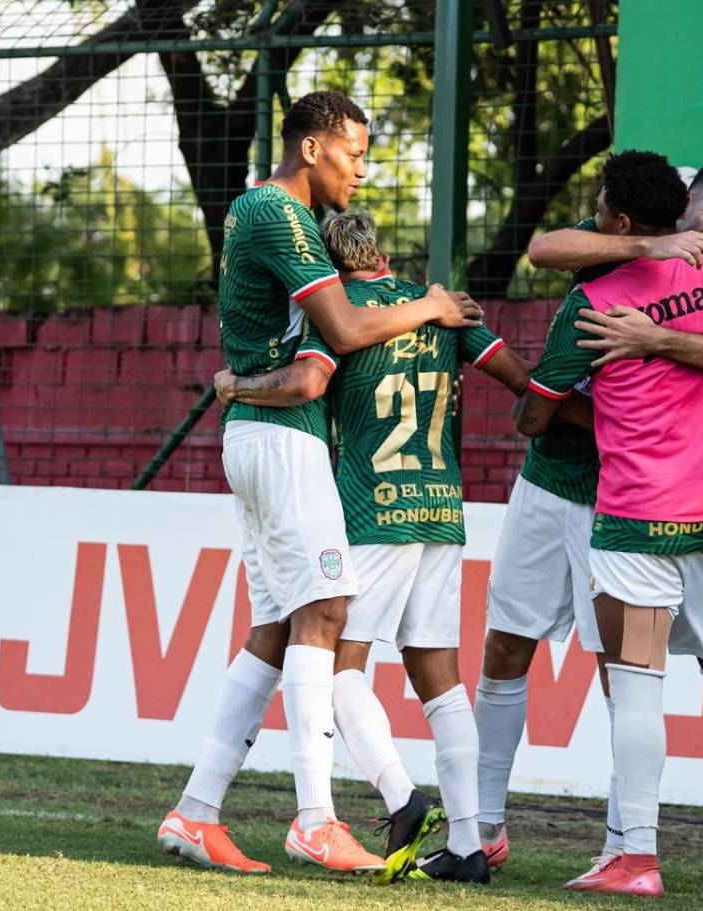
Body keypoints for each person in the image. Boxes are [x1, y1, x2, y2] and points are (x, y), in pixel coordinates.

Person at [157, 91, 482, 876]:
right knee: (329, 612)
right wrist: (430, 304)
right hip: (284, 443)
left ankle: (196, 812)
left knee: (276, 629)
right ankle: (316, 819)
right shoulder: (279, 214)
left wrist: (236, 384)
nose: (363, 171)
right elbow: (341, 331)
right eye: (355, 152)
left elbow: (309, 349)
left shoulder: (268, 213)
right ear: (311, 148)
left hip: (264, 435)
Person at [474, 156, 703, 886]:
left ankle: (633, 854)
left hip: (634, 509)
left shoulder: (598, 302)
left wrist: (651, 345)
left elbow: (534, 414)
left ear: (621, 215)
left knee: (633, 681)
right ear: (682, 208)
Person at [212, 209, 554, 882]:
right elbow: (519, 377)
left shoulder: (339, 318)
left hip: (373, 511)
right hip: (441, 510)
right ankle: (467, 842)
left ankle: (402, 797)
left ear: (331, 269)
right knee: (441, 683)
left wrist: (237, 386)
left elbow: (304, 383)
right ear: (383, 253)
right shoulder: (445, 309)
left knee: (334, 668)